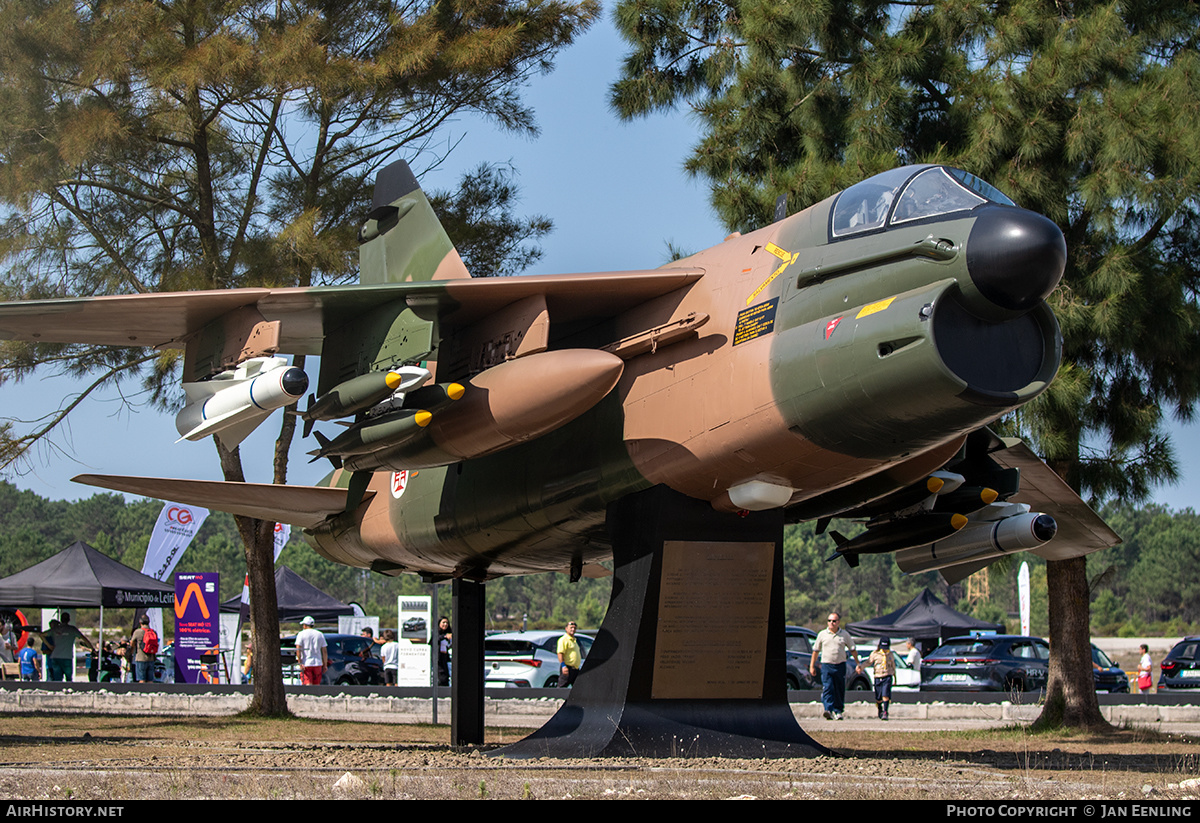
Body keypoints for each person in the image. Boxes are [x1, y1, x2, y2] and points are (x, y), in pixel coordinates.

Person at [809, 612, 861, 720]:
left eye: (834, 621)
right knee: (828, 687)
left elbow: (852, 649)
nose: (831, 623)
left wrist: (858, 663)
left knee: (839, 688)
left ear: (838, 622)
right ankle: (828, 709)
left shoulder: (844, 635)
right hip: (826, 665)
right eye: (829, 621)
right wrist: (812, 666)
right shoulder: (822, 634)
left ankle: (838, 711)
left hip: (840, 665)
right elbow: (815, 651)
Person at [47, 613, 94, 682]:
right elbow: (84, 638)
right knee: (68, 678)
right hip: (67, 657)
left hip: (56, 656)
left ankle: (57, 690)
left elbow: (42, 634)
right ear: (69, 619)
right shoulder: (72, 629)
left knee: (57, 679)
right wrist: (92, 648)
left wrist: (49, 645)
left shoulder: (55, 629)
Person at [868, 638, 896, 720]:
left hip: (887, 676)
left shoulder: (890, 655)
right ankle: (880, 708)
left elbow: (893, 666)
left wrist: (894, 677)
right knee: (878, 697)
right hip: (878, 676)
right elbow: (868, 662)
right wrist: (861, 667)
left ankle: (885, 712)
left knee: (885, 694)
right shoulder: (875, 654)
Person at [295, 616, 328, 686]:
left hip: (306, 663)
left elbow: (298, 649)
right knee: (316, 685)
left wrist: (299, 662)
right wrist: (325, 664)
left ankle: (308, 696)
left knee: (307, 685)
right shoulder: (320, 634)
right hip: (318, 663)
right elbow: (324, 651)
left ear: (304, 625)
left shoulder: (301, 634)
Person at [129, 615, 156, 683]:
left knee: (141, 678)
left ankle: (142, 692)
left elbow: (132, 643)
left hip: (140, 658)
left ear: (140, 622)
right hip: (151, 658)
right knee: (150, 679)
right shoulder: (153, 632)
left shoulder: (138, 632)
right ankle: (151, 692)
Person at [557, 621, 582, 687]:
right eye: (571, 628)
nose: (573, 629)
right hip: (567, 668)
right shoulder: (564, 640)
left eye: (574, 628)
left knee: (578, 688)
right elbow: (560, 653)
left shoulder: (574, 640)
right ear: (566, 629)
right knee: (562, 687)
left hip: (575, 669)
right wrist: (563, 666)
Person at [437, 618, 452, 687]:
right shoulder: (437, 633)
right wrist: (444, 636)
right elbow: (433, 641)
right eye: (443, 622)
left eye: (447, 623)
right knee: (441, 676)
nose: (445, 624)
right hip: (438, 658)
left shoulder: (448, 633)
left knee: (446, 676)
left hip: (445, 657)